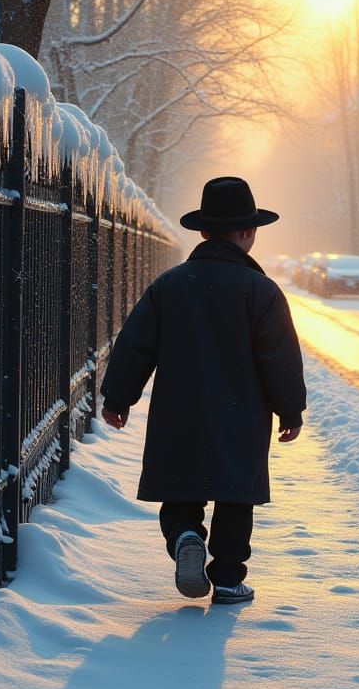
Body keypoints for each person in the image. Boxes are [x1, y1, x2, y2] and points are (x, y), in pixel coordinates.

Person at [99, 176, 307, 605]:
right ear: (247, 232)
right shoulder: (262, 292)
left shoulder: (170, 286)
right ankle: (228, 578)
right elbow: (279, 357)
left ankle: (185, 536)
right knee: (235, 496)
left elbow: (136, 344)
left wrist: (118, 397)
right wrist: (290, 410)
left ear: (204, 232)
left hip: (180, 410)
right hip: (241, 414)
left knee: (181, 487)